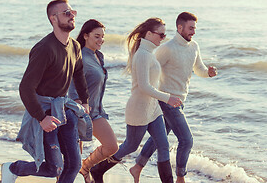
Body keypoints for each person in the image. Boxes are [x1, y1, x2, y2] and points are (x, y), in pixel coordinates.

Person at [1, 0, 91, 183]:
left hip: (65, 110)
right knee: (54, 168)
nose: (72, 15)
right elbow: (25, 87)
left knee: (74, 164)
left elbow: (79, 73)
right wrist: (42, 118)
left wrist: (85, 100)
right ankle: (13, 168)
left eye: (72, 12)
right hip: (47, 113)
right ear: (53, 19)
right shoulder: (44, 49)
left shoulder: (74, 46)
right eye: (66, 13)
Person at [90, 18, 182, 183]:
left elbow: (152, 84)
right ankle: (98, 170)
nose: (163, 38)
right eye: (160, 35)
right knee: (130, 146)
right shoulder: (142, 55)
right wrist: (168, 98)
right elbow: (144, 87)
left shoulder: (150, 53)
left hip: (153, 109)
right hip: (138, 110)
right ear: (149, 34)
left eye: (165, 35)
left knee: (163, 146)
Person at [129, 12, 218, 183]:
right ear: (180, 27)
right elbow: (148, 70)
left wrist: (208, 73)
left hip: (179, 101)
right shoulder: (167, 48)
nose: (193, 32)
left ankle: (137, 167)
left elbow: (199, 68)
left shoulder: (194, 46)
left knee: (158, 139)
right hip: (167, 101)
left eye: (195, 28)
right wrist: (151, 95)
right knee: (186, 139)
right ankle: (180, 177)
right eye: (190, 28)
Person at [68, 19, 119, 183]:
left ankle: (86, 167)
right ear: (85, 35)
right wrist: (80, 107)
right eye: (97, 36)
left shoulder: (98, 55)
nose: (101, 40)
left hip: (96, 112)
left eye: (102, 37)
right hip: (78, 114)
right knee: (71, 161)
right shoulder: (78, 56)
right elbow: (71, 86)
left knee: (112, 146)